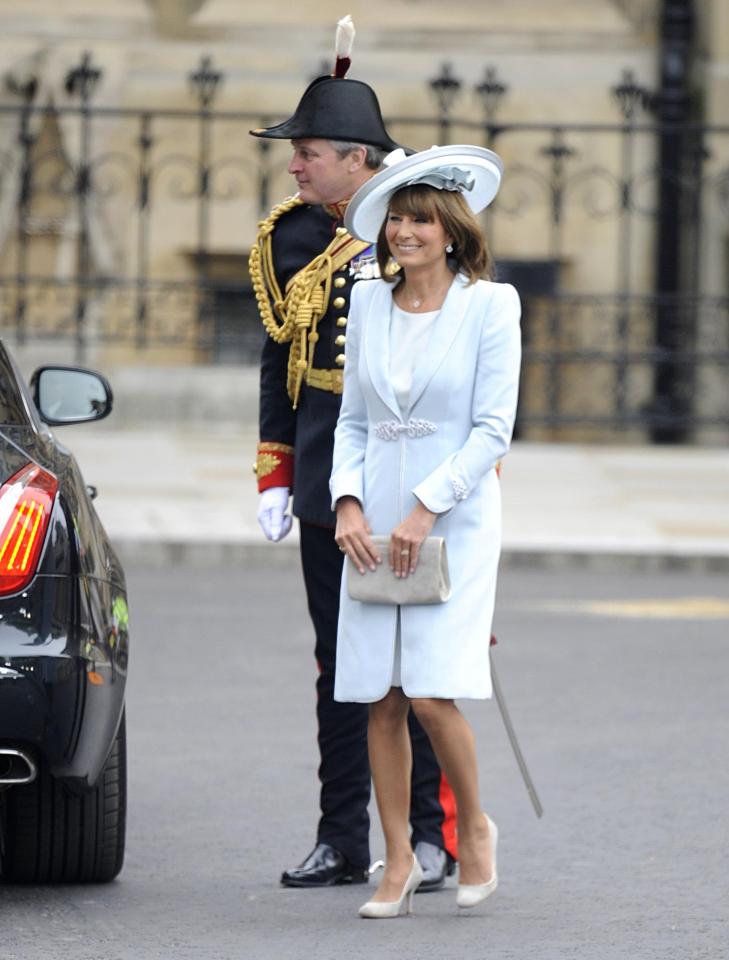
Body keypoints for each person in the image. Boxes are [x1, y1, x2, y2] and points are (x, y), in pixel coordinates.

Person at [249, 56, 458, 889]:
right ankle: (340, 836)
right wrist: (272, 473)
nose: (293, 164)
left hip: (402, 468)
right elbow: (279, 366)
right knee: (339, 662)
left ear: (355, 160)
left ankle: (434, 837)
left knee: (414, 662)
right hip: (318, 466)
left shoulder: (412, 224)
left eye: (306, 151)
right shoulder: (290, 235)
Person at [330, 144, 522, 918]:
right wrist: (347, 503)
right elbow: (350, 421)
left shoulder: (490, 305)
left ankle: (473, 829)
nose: (404, 232)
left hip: (456, 515)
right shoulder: (368, 302)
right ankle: (400, 859)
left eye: (419, 220)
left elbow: (491, 430)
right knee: (379, 696)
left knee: (433, 694)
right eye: (395, 220)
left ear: (449, 230)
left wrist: (425, 506)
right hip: (372, 518)